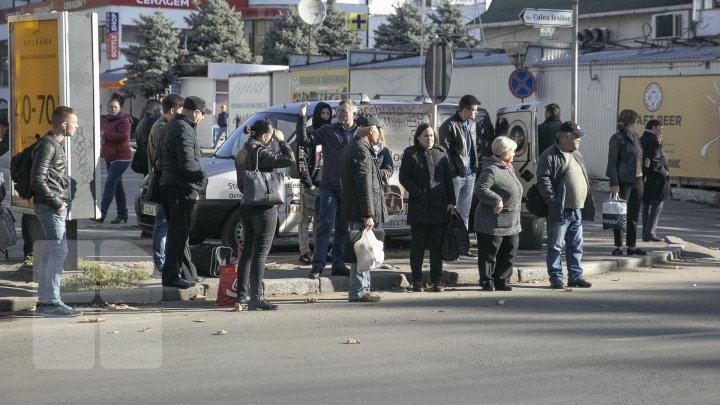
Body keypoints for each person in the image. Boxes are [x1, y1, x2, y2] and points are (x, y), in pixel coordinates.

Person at [234, 119, 295, 310]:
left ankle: (241, 296)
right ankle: (256, 298)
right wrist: (283, 141)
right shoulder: (262, 152)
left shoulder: (243, 152)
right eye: (269, 136)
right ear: (264, 136)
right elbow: (290, 160)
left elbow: (241, 182)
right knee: (261, 253)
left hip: (246, 205)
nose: (271, 139)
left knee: (247, 253)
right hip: (264, 207)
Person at [297, 99, 358, 279]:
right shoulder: (328, 130)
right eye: (337, 110)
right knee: (324, 225)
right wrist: (301, 118)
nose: (339, 113)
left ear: (354, 113)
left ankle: (338, 264)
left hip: (349, 189)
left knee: (342, 229)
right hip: (329, 187)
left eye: (343, 110)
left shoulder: (360, 133)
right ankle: (318, 265)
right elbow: (304, 141)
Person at [30, 106, 82, 317]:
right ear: (63, 124)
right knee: (58, 251)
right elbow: (37, 178)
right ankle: (50, 302)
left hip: (50, 206)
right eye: (74, 122)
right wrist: (57, 203)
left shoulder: (54, 144)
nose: (76, 126)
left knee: (51, 253)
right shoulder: (48, 145)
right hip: (50, 207)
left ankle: (46, 301)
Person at [158, 96, 210, 289]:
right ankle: (171, 276)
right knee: (177, 235)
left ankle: (184, 273)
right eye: (203, 114)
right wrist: (202, 179)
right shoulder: (184, 129)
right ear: (196, 112)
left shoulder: (173, 124)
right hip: (181, 188)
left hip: (170, 185)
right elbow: (187, 163)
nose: (202, 118)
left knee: (178, 234)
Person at [537, 121, 595, 289]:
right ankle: (556, 278)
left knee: (576, 245)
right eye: (577, 137)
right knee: (556, 245)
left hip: (577, 209)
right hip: (560, 209)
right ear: (565, 137)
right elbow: (543, 180)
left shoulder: (577, 154)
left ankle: (576, 276)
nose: (579, 140)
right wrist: (552, 201)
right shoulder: (550, 155)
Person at [399, 123, 456, 293]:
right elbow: (404, 177)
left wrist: (451, 201)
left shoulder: (440, 153)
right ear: (418, 137)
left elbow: (448, 180)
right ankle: (417, 280)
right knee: (418, 247)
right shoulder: (411, 153)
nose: (429, 138)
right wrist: (417, 191)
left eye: (431, 135)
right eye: (425, 136)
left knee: (436, 247)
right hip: (420, 207)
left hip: (439, 207)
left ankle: (436, 280)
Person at [340, 122, 386, 303]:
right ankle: (359, 290)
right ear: (371, 130)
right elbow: (363, 185)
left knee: (363, 250)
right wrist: (368, 214)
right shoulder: (361, 150)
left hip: (355, 208)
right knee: (363, 251)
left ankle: (362, 288)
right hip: (361, 210)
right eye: (378, 132)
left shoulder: (355, 147)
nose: (379, 137)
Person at [473, 136, 523, 292]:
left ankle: (502, 280)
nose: (514, 154)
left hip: (512, 221)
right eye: (513, 151)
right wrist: (497, 199)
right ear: (505, 152)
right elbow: (480, 188)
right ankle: (486, 280)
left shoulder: (508, 167)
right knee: (489, 253)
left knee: (509, 251)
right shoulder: (492, 169)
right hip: (492, 222)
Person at [439, 94, 481, 258]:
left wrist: (475, 169)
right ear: (465, 110)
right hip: (456, 175)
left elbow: (473, 148)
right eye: (474, 110)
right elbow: (445, 152)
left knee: (464, 213)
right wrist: (453, 172)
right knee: (451, 213)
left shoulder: (471, 124)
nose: (476, 113)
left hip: (470, 175)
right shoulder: (449, 126)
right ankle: (449, 247)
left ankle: (462, 247)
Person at [147, 94, 184, 274]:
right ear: (171, 111)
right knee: (162, 224)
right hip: (163, 179)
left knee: (165, 223)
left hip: (165, 178)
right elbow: (163, 155)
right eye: (180, 110)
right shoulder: (162, 127)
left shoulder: (163, 125)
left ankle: (163, 261)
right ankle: (159, 263)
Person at [606, 109, 646, 256]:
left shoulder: (636, 137)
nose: (637, 123)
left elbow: (639, 155)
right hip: (623, 181)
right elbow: (612, 162)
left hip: (638, 180)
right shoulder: (617, 138)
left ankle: (632, 246)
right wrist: (614, 183)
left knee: (634, 215)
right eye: (635, 120)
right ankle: (618, 246)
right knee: (620, 214)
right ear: (629, 121)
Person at [296, 102, 331, 265]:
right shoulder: (309, 134)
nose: (325, 117)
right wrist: (307, 181)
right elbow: (301, 159)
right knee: (305, 219)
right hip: (310, 185)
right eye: (322, 113)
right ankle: (304, 251)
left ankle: (320, 251)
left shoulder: (331, 133)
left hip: (326, 186)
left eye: (328, 113)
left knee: (321, 221)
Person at [93, 99, 132, 224]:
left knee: (110, 184)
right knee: (118, 187)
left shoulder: (124, 121)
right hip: (110, 158)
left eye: (115, 107)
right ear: (107, 108)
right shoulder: (106, 120)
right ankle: (123, 214)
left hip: (121, 157)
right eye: (111, 107)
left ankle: (102, 213)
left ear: (120, 108)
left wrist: (105, 133)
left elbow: (124, 136)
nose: (113, 109)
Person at [640, 119, 671, 242]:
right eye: (660, 128)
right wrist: (665, 172)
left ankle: (646, 233)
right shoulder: (652, 140)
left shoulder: (642, 139)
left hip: (644, 179)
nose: (661, 131)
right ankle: (650, 233)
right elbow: (655, 162)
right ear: (654, 127)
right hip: (655, 181)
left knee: (646, 206)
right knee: (656, 205)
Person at [132, 99, 161, 176]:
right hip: (150, 160)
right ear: (155, 109)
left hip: (144, 158)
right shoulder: (153, 122)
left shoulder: (143, 120)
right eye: (160, 109)